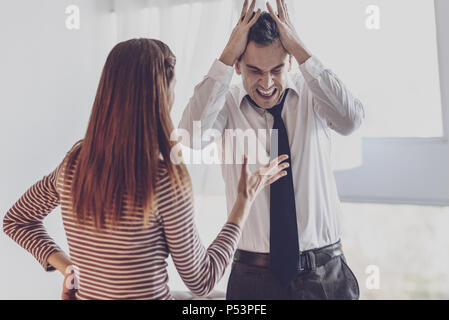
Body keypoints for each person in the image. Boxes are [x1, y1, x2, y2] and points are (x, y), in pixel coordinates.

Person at [2, 37, 289, 300]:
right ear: (161, 94)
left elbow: (16, 220)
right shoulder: (163, 178)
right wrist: (243, 203)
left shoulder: (74, 162)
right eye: (173, 88)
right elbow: (201, 280)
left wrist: (68, 269)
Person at [179, 0, 365, 299]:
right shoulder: (225, 106)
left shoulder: (312, 96)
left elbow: (350, 120)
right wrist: (227, 54)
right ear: (238, 66)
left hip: (325, 275)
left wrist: (300, 47)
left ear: (289, 62)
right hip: (253, 279)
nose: (267, 83)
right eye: (254, 70)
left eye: (276, 69)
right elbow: (190, 135)